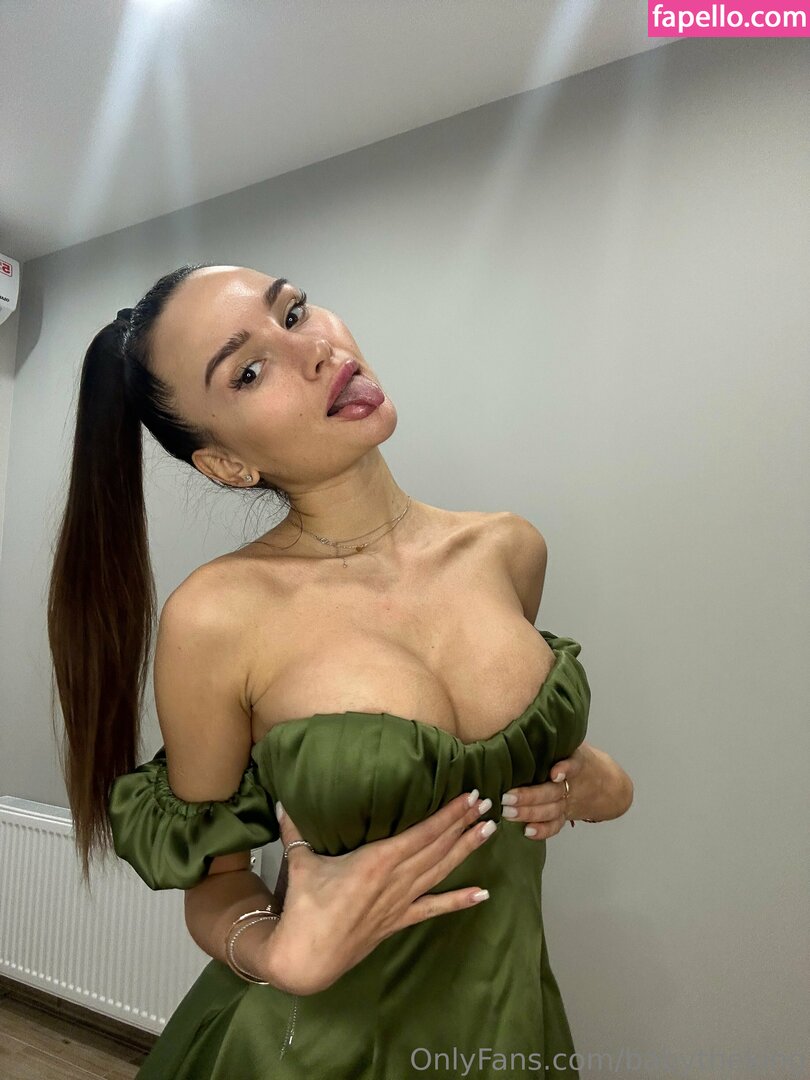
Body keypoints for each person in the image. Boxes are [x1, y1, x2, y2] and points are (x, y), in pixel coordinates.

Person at [46, 263, 634, 1079]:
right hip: (309, 1052)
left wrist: (598, 784)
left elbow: (509, 753)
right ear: (226, 465)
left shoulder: (509, 549)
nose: (316, 349)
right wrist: (274, 950)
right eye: (248, 371)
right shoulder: (217, 618)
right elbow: (215, 882)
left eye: (294, 312)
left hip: (507, 1027)